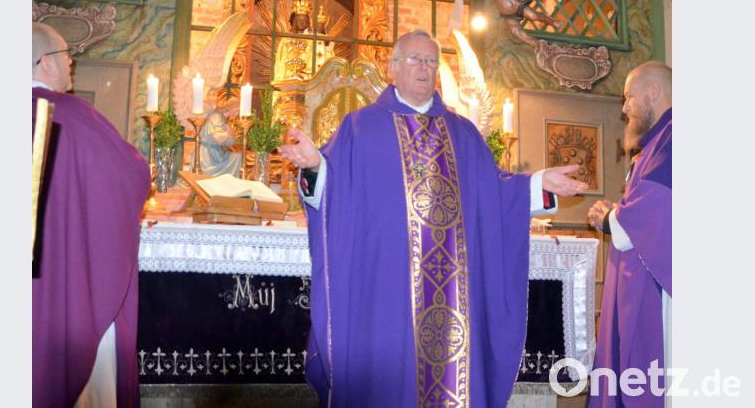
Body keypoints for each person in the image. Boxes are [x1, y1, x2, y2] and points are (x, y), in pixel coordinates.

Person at [278, 30, 588, 407]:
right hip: (384, 291)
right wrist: (315, 167)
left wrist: (538, 183)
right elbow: (332, 193)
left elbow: (493, 192)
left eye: (431, 61)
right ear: (392, 67)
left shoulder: (463, 134)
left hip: (451, 294)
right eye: (414, 59)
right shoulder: (359, 129)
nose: (424, 68)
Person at [32, 22, 150, 408]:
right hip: (65, 283)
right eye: (67, 56)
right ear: (45, 63)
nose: (72, 65)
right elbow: (130, 175)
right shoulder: (72, 114)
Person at [587, 61, 672, 407]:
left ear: (653, 92)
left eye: (628, 98)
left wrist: (610, 218)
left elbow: (655, 208)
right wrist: (617, 214)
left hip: (661, 294)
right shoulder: (657, 143)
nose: (624, 109)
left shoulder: (673, 138)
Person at [198, 97, 242, 176]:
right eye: (237, 110)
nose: (237, 114)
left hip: (217, 152)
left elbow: (230, 143)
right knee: (236, 157)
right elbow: (216, 138)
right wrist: (228, 133)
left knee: (237, 156)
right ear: (231, 108)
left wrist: (229, 133)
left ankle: (228, 182)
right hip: (208, 155)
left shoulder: (225, 120)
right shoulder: (216, 116)